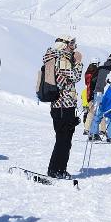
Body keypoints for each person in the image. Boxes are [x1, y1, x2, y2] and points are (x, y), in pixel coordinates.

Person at [43, 36, 83, 179]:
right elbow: (75, 76)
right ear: (64, 45)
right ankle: (55, 169)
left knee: (63, 138)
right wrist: (78, 62)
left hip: (59, 105)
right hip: (64, 105)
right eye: (72, 43)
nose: (74, 46)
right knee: (64, 139)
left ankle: (58, 169)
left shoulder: (54, 57)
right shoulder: (62, 58)